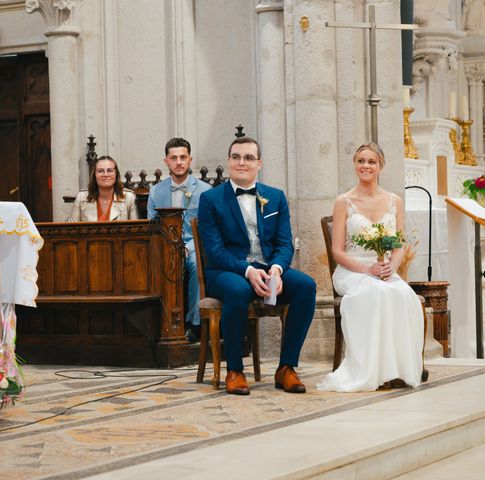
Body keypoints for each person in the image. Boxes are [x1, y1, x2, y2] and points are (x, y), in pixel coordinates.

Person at [198, 136, 316, 395]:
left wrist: (276, 269)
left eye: (249, 157)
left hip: (268, 268)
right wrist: (247, 270)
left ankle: (286, 368)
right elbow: (215, 252)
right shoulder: (210, 199)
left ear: (259, 164)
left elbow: (285, 243)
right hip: (226, 271)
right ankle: (235, 370)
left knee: (306, 286)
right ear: (228, 161)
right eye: (236, 157)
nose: (242, 162)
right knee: (239, 290)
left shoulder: (275, 197)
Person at [317, 143, 424, 392]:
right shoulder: (344, 201)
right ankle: (371, 370)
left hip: (385, 269)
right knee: (376, 293)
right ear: (355, 165)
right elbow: (337, 252)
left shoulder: (394, 201)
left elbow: (398, 245)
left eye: (371, 162)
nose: (366, 166)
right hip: (353, 270)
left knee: (403, 294)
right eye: (361, 161)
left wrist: (391, 268)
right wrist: (367, 271)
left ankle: (397, 369)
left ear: (381, 166)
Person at [147, 137, 212, 343]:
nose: (179, 162)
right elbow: (152, 225)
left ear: (190, 160)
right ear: (166, 161)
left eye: (183, 157)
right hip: (165, 246)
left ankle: (194, 324)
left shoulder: (204, 191)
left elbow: (207, 229)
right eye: (173, 158)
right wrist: (171, 248)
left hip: (195, 245)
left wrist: (187, 247)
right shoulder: (156, 191)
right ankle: (160, 323)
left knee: (194, 264)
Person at [67, 156, 138, 222]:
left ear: (116, 174)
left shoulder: (129, 198)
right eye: (100, 171)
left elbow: (135, 232)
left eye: (110, 170)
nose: (105, 175)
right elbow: (70, 230)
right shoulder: (81, 197)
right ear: (94, 175)